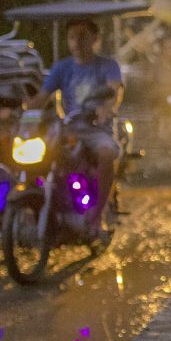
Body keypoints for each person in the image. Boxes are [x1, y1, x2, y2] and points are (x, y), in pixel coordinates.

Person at [23, 18, 122, 227]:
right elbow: (42, 97)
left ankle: (98, 212)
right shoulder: (62, 67)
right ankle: (33, 204)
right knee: (33, 151)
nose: (76, 41)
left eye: (82, 36)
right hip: (68, 127)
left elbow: (114, 91)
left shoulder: (108, 65)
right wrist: (21, 108)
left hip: (96, 128)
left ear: (95, 38)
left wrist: (106, 107)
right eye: (72, 37)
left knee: (106, 153)